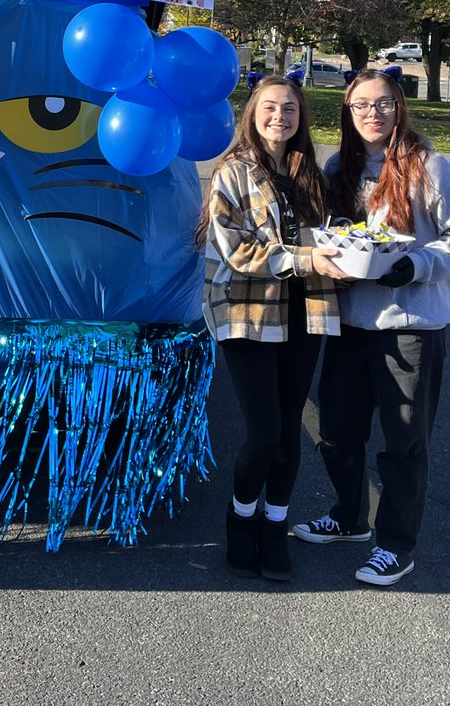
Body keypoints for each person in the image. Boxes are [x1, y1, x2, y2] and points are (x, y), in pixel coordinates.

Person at [293, 70, 450, 586]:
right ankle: (348, 517)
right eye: (361, 106)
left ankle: (396, 545)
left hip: (411, 324)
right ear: (347, 112)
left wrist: (417, 266)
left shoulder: (429, 166)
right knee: (337, 431)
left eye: (382, 104)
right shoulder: (341, 165)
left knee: (404, 443)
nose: (372, 114)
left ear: (399, 107)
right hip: (350, 321)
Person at [199, 76, 349, 581]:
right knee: (263, 432)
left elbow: (333, 237)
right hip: (246, 312)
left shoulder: (312, 175)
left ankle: (275, 526)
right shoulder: (232, 172)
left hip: (307, 313)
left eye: (289, 108)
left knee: (289, 434)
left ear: (301, 116)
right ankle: (240, 520)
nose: (279, 117)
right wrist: (309, 258)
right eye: (270, 107)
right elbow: (235, 250)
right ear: (253, 113)